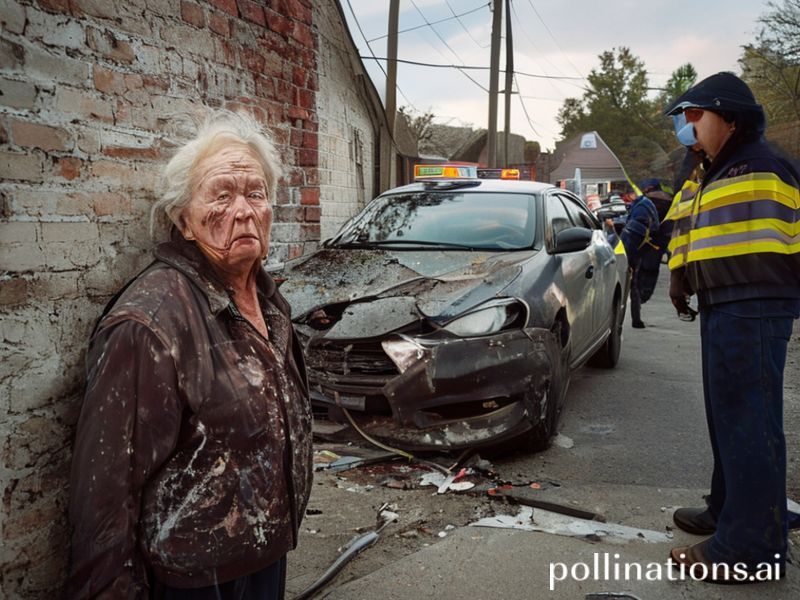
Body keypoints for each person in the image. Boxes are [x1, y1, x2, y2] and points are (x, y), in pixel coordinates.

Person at [66, 110, 313, 599]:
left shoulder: (267, 301)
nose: (244, 210)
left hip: (264, 554)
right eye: (222, 195)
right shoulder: (151, 323)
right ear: (184, 220)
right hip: (194, 582)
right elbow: (105, 498)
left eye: (256, 193)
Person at [664, 72, 800, 582]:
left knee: (749, 421)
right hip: (723, 302)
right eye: (684, 117)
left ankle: (750, 549)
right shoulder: (710, 171)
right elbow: (689, 230)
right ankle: (730, 509)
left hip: (756, 303)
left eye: (696, 115)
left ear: (731, 117)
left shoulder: (763, 166)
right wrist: (681, 278)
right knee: (729, 418)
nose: (686, 126)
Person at [619, 183, 660, 328]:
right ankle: (636, 319)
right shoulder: (645, 205)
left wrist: (626, 258)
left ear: (632, 194)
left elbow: (633, 233)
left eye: (628, 197)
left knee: (626, 286)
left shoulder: (641, 208)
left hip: (634, 253)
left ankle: (629, 319)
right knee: (634, 286)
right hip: (643, 250)